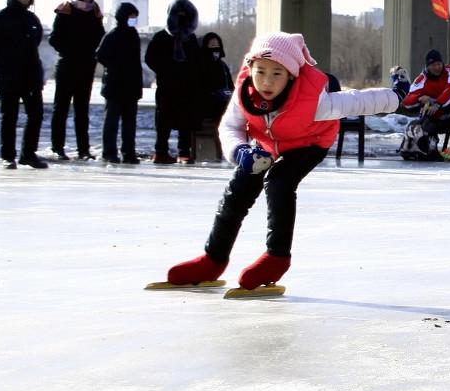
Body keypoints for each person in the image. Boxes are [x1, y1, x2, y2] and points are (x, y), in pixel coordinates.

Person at [163, 31, 405, 290]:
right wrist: (241, 152)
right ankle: (213, 259)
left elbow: (359, 101)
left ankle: (277, 257)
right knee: (238, 190)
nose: (266, 82)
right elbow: (229, 128)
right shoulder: (244, 94)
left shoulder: (313, 101)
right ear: (250, 68)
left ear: (290, 75)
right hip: (267, 144)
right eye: (261, 71)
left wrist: (398, 95)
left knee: (279, 182)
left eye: (277, 73)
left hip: (309, 142)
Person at [0, 0, 49, 169]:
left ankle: (28, 154)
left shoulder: (32, 19)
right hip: (8, 76)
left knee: (36, 115)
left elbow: (35, 43)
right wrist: (2, 63)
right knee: (9, 117)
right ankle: (7, 156)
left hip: (30, 75)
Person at [48, 0, 105, 160]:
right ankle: (57, 147)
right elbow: (54, 39)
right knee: (61, 109)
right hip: (67, 65)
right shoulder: (66, 10)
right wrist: (70, 50)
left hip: (86, 66)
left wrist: (91, 53)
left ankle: (83, 149)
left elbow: (100, 37)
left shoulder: (94, 12)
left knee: (82, 110)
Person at [144, 0, 201, 164]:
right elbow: (150, 58)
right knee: (163, 121)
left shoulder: (190, 39)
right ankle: (161, 151)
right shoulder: (161, 37)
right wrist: (165, 70)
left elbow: (197, 61)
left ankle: (184, 151)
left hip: (187, 87)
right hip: (167, 86)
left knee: (186, 121)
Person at [95, 2, 143, 164]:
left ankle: (128, 152)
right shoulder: (113, 35)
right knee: (112, 122)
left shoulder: (134, 35)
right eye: (131, 17)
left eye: (135, 17)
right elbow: (100, 55)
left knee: (130, 123)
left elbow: (136, 63)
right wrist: (116, 66)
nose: (133, 20)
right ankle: (109, 152)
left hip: (131, 86)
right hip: (114, 85)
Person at [198, 31, 234, 126]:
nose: (215, 48)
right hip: (206, 108)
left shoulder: (223, 66)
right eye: (212, 45)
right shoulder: (198, 66)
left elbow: (230, 86)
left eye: (217, 45)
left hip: (224, 105)